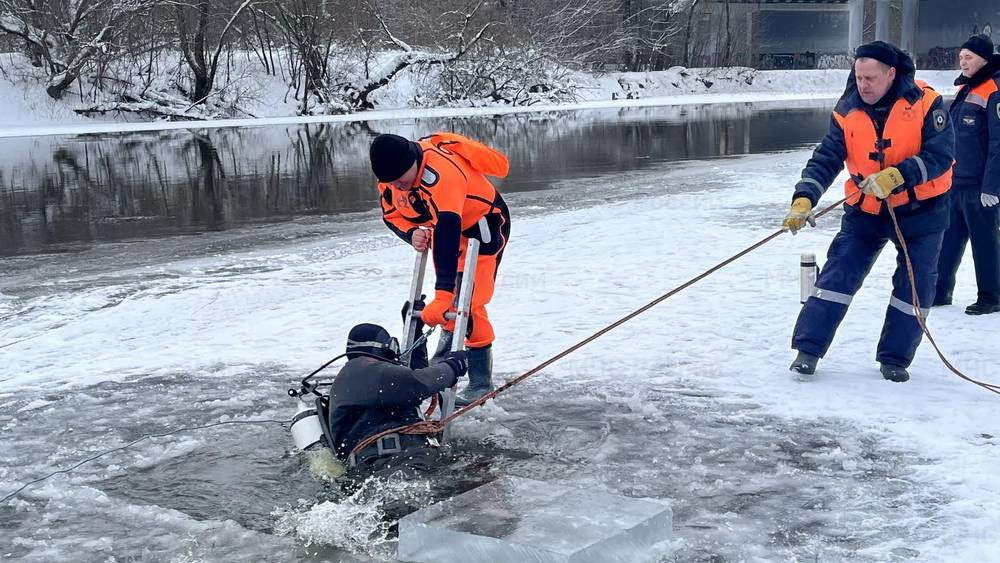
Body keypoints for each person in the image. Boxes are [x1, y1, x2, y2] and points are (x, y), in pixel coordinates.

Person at [782, 41, 955, 383]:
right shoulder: (847, 108)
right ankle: (808, 351)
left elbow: (941, 155)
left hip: (923, 211)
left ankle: (895, 358)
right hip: (866, 209)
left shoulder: (926, 102)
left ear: (891, 75)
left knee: (915, 286)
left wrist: (898, 175)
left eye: (870, 78)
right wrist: (804, 197)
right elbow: (827, 156)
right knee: (838, 275)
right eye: (859, 77)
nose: (863, 85)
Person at [370, 132, 511, 405]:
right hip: (444, 231)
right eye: (392, 182)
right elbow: (391, 215)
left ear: (412, 160)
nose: (398, 185)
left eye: (401, 179)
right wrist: (410, 233)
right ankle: (444, 359)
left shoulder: (441, 174)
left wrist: (443, 294)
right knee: (449, 305)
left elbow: (447, 232)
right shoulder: (390, 182)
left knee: (468, 303)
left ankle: (481, 382)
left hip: (483, 227)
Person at [325, 323, 468, 475]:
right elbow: (418, 384)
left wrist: (417, 333)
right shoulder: (365, 369)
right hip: (393, 463)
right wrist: (452, 366)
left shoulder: (357, 376)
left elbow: (408, 381)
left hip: (383, 463)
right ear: (383, 348)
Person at [934, 34, 1000, 315]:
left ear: (984, 59)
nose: (962, 62)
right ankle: (939, 291)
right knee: (948, 239)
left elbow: (998, 143)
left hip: (980, 185)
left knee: (985, 242)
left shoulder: (994, 89)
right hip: (955, 180)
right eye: (961, 57)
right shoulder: (965, 88)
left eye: (969, 57)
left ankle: (991, 296)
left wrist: (992, 186)